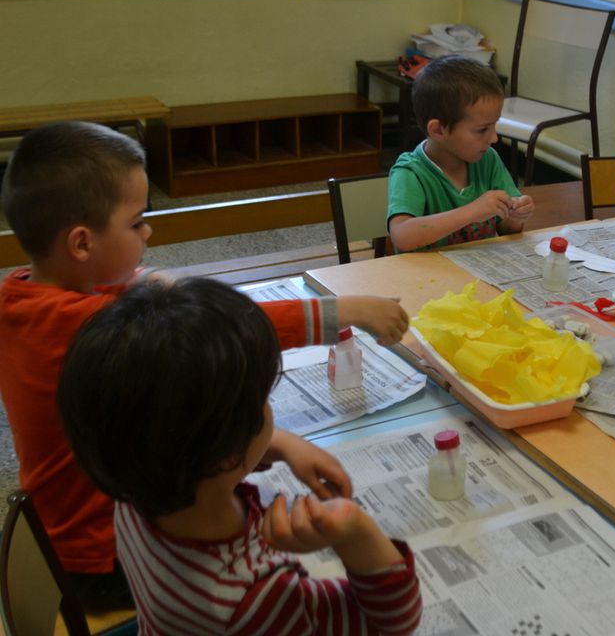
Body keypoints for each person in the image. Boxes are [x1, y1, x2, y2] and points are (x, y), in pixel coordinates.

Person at [0, 120, 409, 610]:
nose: (149, 230)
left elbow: (131, 289)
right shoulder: (90, 326)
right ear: (82, 244)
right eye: (136, 223)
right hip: (99, 558)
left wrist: (279, 442)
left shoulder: (22, 295)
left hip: (69, 527)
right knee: (290, 562)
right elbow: (212, 333)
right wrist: (343, 310)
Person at [57, 278, 422, 634]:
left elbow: (187, 443)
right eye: (264, 399)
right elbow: (388, 624)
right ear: (225, 449)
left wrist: (280, 444)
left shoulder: (134, 487)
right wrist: (354, 531)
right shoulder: (253, 601)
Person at [387, 55, 534, 252]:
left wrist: (516, 217)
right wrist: (472, 211)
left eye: (494, 126)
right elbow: (402, 236)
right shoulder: (411, 171)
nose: (494, 139)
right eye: (482, 130)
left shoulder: (488, 159)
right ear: (439, 130)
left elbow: (506, 230)